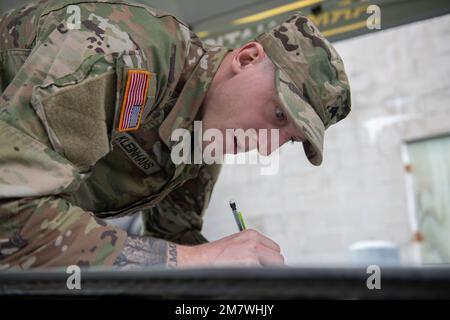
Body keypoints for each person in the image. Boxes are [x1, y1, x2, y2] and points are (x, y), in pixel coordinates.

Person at [0, 0, 351, 270]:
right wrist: (195, 262)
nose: (265, 148)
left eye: (287, 138)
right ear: (245, 58)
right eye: (277, 114)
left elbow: (172, 235)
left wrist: (230, 274)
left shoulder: (205, 138)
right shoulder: (120, 53)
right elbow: (11, 215)